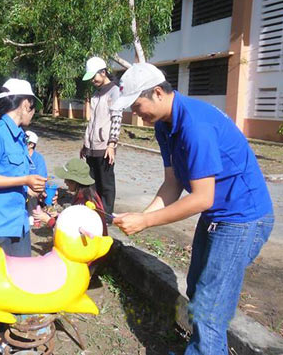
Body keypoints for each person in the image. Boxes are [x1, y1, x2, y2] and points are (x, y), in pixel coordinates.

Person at [111, 63, 273, 354]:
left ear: (158, 93)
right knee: (198, 289)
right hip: (217, 215)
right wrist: (141, 216)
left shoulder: (195, 126)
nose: (134, 113)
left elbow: (201, 199)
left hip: (242, 218)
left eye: (136, 105)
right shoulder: (164, 125)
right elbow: (172, 184)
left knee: (210, 306)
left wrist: (147, 223)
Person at [0, 78, 47, 352]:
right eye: (32, 106)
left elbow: (17, 177)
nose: (34, 112)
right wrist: (25, 178)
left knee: (20, 280)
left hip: (18, 222)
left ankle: (18, 326)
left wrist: (31, 185)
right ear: (24, 103)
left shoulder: (19, 137)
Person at [81, 56, 123, 224]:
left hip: (105, 146)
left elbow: (117, 118)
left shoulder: (114, 91)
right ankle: (94, 211)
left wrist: (112, 144)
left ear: (103, 72)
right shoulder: (96, 93)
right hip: (91, 146)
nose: (93, 80)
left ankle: (106, 217)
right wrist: (84, 143)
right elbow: (92, 121)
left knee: (106, 183)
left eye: (94, 77)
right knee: (91, 181)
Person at [32, 158, 107, 236]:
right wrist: (59, 215)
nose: (65, 182)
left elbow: (70, 231)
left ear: (75, 181)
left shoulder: (83, 202)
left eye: (67, 179)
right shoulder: (89, 194)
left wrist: (48, 220)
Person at [25, 130, 48, 226]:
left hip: (33, 188)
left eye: (24, 142)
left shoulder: (38, 159)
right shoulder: (20, 156)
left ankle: (33, 216)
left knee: (33, 193)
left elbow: (42, 178)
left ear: (31, 145)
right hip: (22, 185)